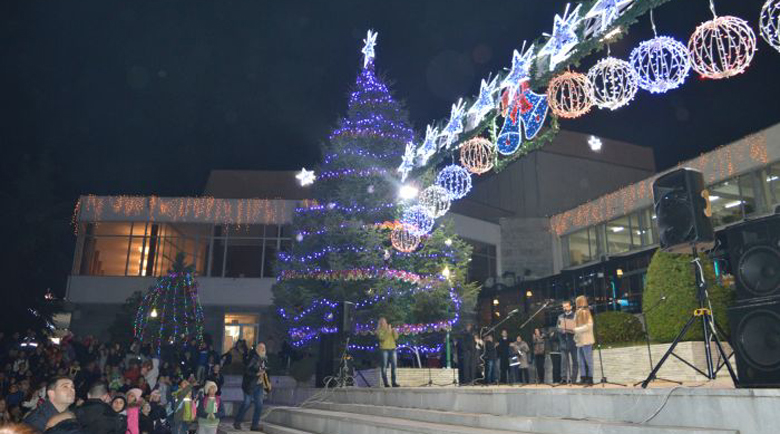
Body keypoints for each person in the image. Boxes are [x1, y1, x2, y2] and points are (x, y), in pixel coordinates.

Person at [234, 342, 267, 431]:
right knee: (246, 404)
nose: (263, 349)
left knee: (259, 405)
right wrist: (257, 373)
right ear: (257, 349)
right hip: (249, 385)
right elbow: (246, 371)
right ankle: (237, 421)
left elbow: (265, 370)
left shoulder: (264, 359)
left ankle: (254, 425)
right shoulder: (253, 358)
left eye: (264, 348)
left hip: (259, 385)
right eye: (261, 348)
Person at [574, 295, 595, 385]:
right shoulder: (577, 313)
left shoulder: (586, 312)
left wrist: (577, 330)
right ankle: (583, 377)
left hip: (587, 340)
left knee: (588, 360)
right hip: (579, 341)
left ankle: (590, 378)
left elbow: (589, 326)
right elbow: (575, 325)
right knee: (581, 361)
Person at [557, 300, 578, 384]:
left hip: (573, 342)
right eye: (564, 307)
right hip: (564, 343)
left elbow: (577, 327)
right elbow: (557, 328)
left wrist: (571, 330)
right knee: (563, 361)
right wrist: (562, 331)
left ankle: (574, 379)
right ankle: (564, 378)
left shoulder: (575, 316)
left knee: (575, 361)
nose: (565, 308)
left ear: (571, 307)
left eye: (567, 306)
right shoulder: (560, 316)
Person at [375, 318, 400, 388]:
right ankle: (386, 383)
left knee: (394, 366)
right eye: (382, 322)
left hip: (392, 349)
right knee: (384, 367)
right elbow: (382, 338)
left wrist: (394, 331)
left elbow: (396, 338)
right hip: (384, 349)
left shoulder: (390, 329)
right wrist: (388, 331)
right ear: (380, 323)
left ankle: (394, 382)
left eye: (385, 321)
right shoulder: (379, 331)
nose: (384, 323)